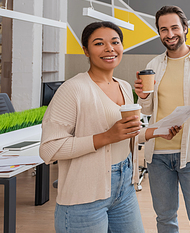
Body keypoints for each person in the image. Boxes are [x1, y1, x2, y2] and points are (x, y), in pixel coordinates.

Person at [39, 21, 179, 233]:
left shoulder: (123, 85)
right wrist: (106, 136)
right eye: (99, 43)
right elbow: (49, 149)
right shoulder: (73, 89)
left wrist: (158, 132)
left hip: (124, 188)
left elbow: (127, 134)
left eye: (115, 42)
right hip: (84, 197)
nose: (109, 49)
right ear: (85, 50)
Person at [135, 5, 190, 233]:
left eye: (174, 27)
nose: (170, 34)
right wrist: (143, 97)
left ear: (185, 28)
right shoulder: (153, 66)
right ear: (159, 33)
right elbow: (146, 110)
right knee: (165, 220)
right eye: (164, 29)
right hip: (158, 157)